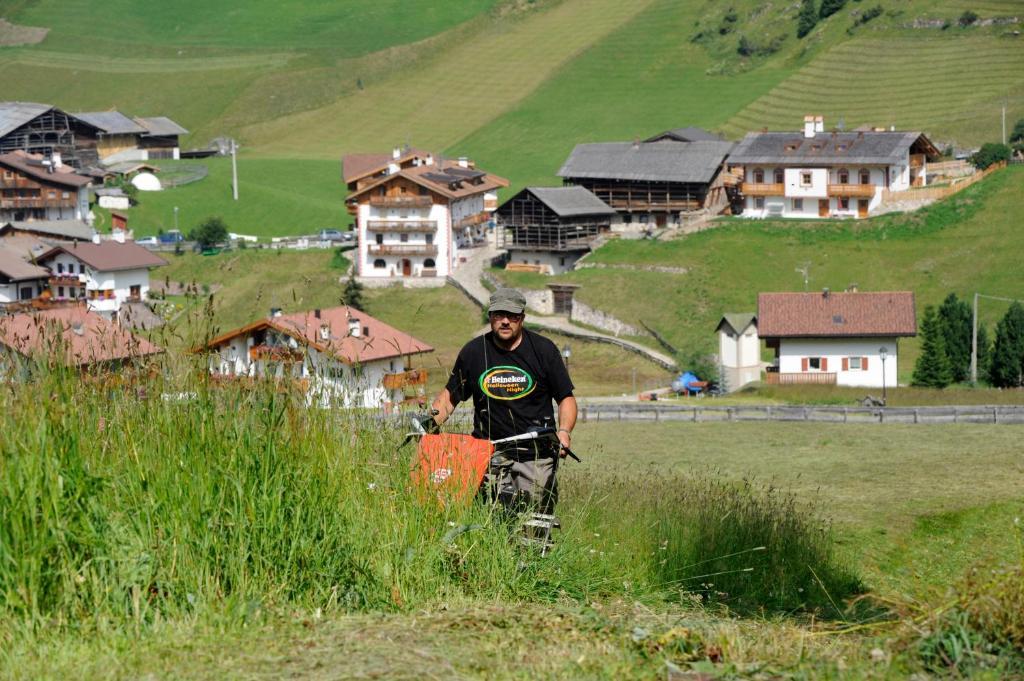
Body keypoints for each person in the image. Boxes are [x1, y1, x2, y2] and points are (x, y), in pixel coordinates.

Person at [427, 287, 577, 515]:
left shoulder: (544, 350)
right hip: (486, 453)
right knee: (485, 520)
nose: (505, 321)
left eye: (512, 316)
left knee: (532, 522)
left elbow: (566, 398)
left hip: (535, 454)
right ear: (490, 317)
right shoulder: (474, 352)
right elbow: (449, 398)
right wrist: (428, 427)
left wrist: (564, 431)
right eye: (499, 315)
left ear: (522, 318)